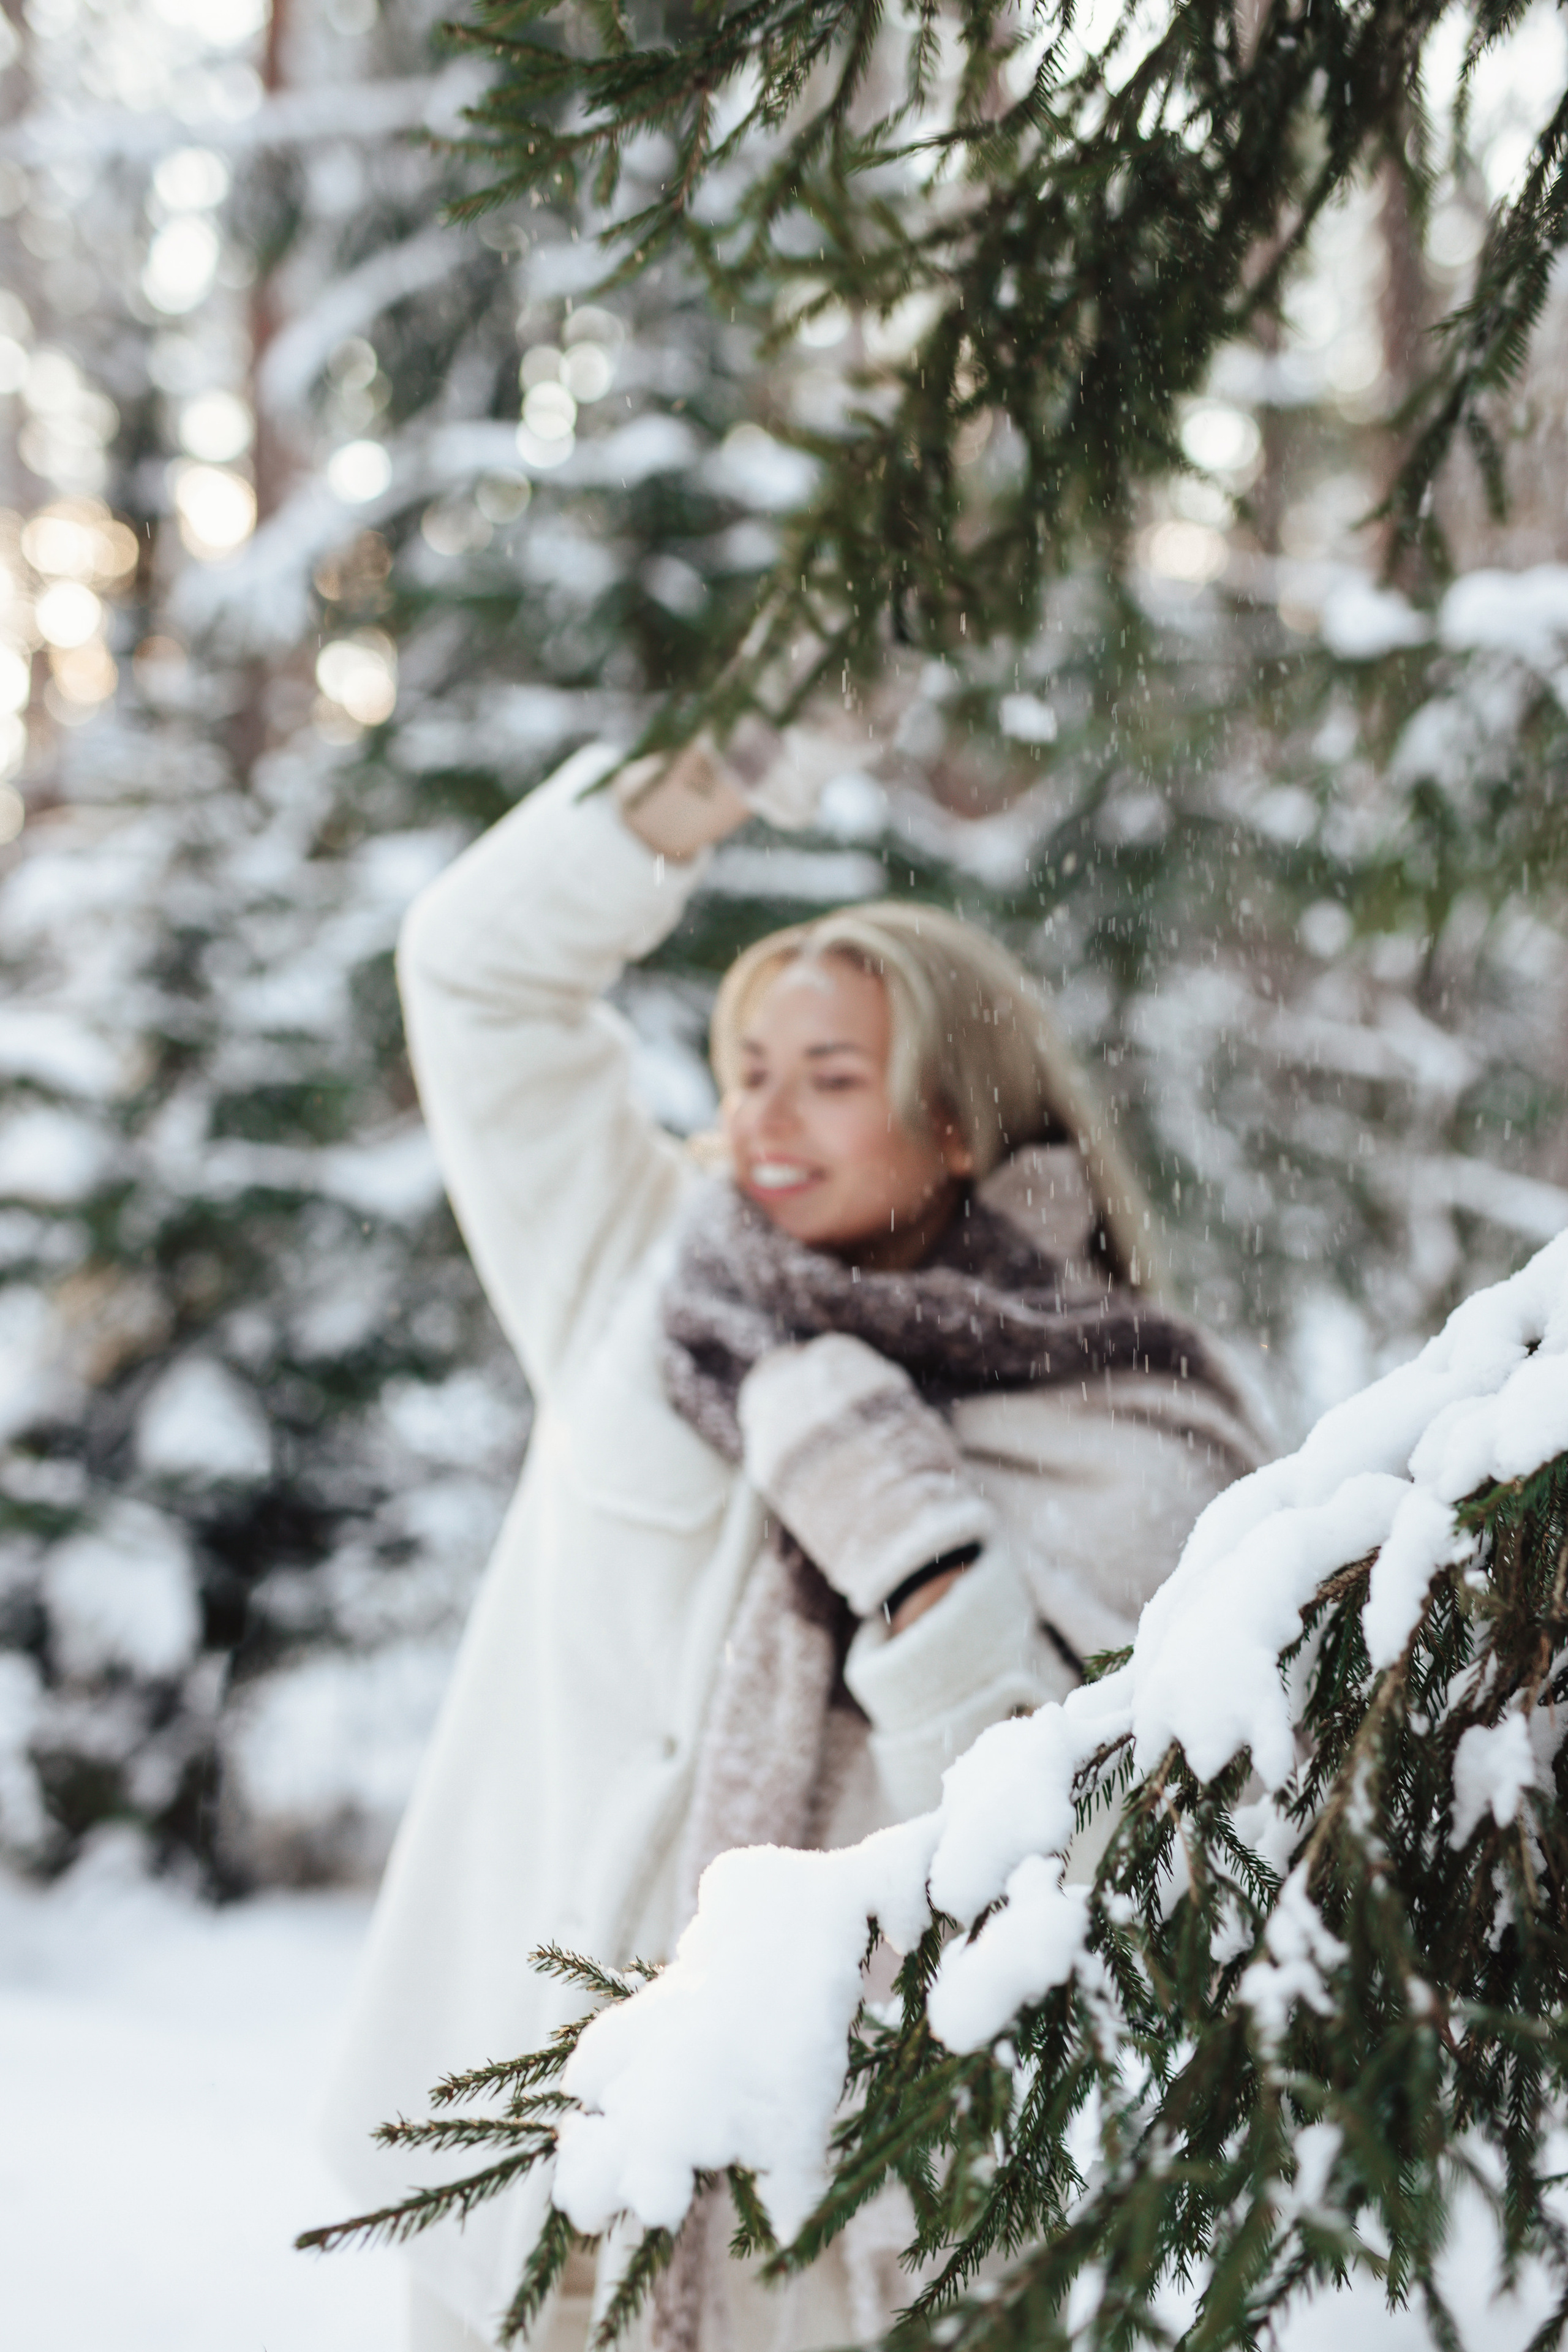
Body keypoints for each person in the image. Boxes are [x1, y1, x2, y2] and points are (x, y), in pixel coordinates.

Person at [320, 730, 1265, 2352]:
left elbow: (1055, 1851)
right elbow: (476, 975)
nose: (766, 1119)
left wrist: (905, 1536)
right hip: (531, 2174)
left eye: (834, 1080)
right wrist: (725, 760)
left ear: (960, 1126)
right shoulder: (648, 1282)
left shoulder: (1130, 1428)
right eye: (750, 1067)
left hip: (840, 2226)